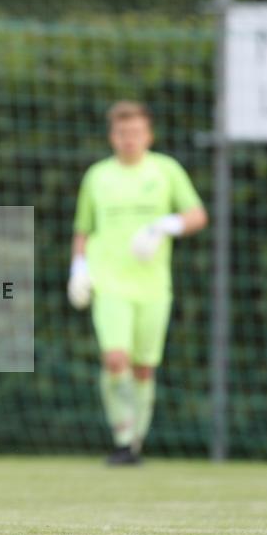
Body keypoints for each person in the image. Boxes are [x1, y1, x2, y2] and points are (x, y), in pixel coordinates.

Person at [68, 101, 207, 465]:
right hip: (109, 283)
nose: (129, 139)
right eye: (122, 133)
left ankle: (135, 443)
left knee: (144, 367)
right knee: (116, 359)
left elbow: (196, 214)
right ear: (112, 136)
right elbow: (83, 229)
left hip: (153, 287)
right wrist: (78, 268)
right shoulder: (98, 176)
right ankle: (122, 439)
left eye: (136, 132)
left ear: (149, 135)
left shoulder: (166, 170)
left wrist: (165, 225)